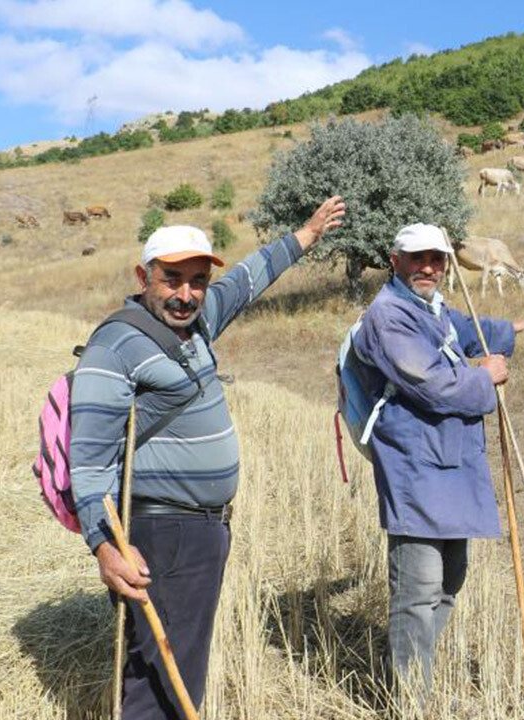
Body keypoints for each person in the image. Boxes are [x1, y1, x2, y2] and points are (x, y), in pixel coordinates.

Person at [70, 196, 346, 718]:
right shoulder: (116, 346)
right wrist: (106, 549)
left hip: (201, 531)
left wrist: (307, 234)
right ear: (143, 275)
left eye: (197, 280)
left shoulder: (195, 323)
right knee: (160, 684)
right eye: (172, 278)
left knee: (180, 670)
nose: (186, 293)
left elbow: (248, 277)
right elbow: (86, 459)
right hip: (161, 535)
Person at [350, 223, 524, 703]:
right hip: (414, 464)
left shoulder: (426, 306)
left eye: (436, 258)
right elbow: (430, 382)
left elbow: (455, 328)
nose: (428, 267)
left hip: (446, 460)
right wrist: (485, 378)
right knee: (418, 587)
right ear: (395, 261)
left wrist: (502, 332)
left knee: (450, 578)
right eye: (417, 258)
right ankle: (411, 700)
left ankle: (419, 683)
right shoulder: (388, 316)